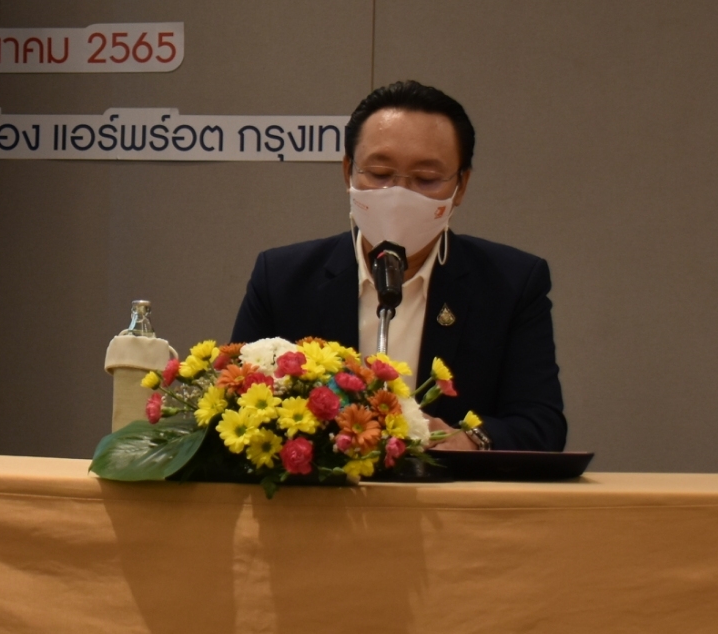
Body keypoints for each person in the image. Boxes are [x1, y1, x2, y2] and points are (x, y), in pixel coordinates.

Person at [230, 81, 565, 451]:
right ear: (348, 171)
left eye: (426, 179)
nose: (399, 194)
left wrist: (469, 441)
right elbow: (235, 405)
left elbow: (542, 426)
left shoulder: (511, 283)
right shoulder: (282, 278)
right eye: (379, 173)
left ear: (461, 185)